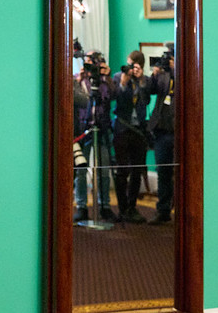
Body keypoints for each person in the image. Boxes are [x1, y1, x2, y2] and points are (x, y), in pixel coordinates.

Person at [73, 50, 117, 223]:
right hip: (83, 130)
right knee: (81, 170)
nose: (89, 66)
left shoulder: (105, 81)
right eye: (88, 62)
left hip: (102, 128)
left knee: (104, 170)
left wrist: (107, 77)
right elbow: (75, 98)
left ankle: (104, 205)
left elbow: (112, 95)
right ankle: (81, 206)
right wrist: (79, 79)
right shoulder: (79, 80)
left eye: (93, 62)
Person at [112, 50, 150, 224]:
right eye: (128, 64)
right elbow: (116, 97)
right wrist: (123, 83)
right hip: (122, 128)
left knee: (137, 170)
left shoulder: (144, 80)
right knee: (122, 170)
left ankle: (132, 206)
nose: (130, 68)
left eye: (133, 66)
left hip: (139, 130)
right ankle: (122, 208)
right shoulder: (118, 77)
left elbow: (146, 101)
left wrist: (141, 81)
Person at [148, 43, 175, 225]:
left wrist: (176, 69)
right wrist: (154, 74)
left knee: (182, 172)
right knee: (163, 171)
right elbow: (150, 91)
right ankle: (163, 210)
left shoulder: (186, 71)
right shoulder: (162, 75)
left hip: (179, 131)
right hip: (161, 130)